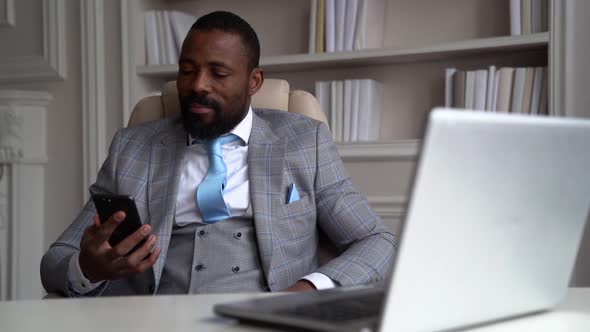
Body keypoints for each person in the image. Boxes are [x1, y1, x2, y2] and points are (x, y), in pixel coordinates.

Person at [41, 11, 396, 296]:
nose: (198, 86)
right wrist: (89, 268)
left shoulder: (304, 142)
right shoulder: (133, 148)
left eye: (219, 73)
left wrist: (305, 290)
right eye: (187, 71)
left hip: (265, 317)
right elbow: (56, 260)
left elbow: (378, 242)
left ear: (253, 81)